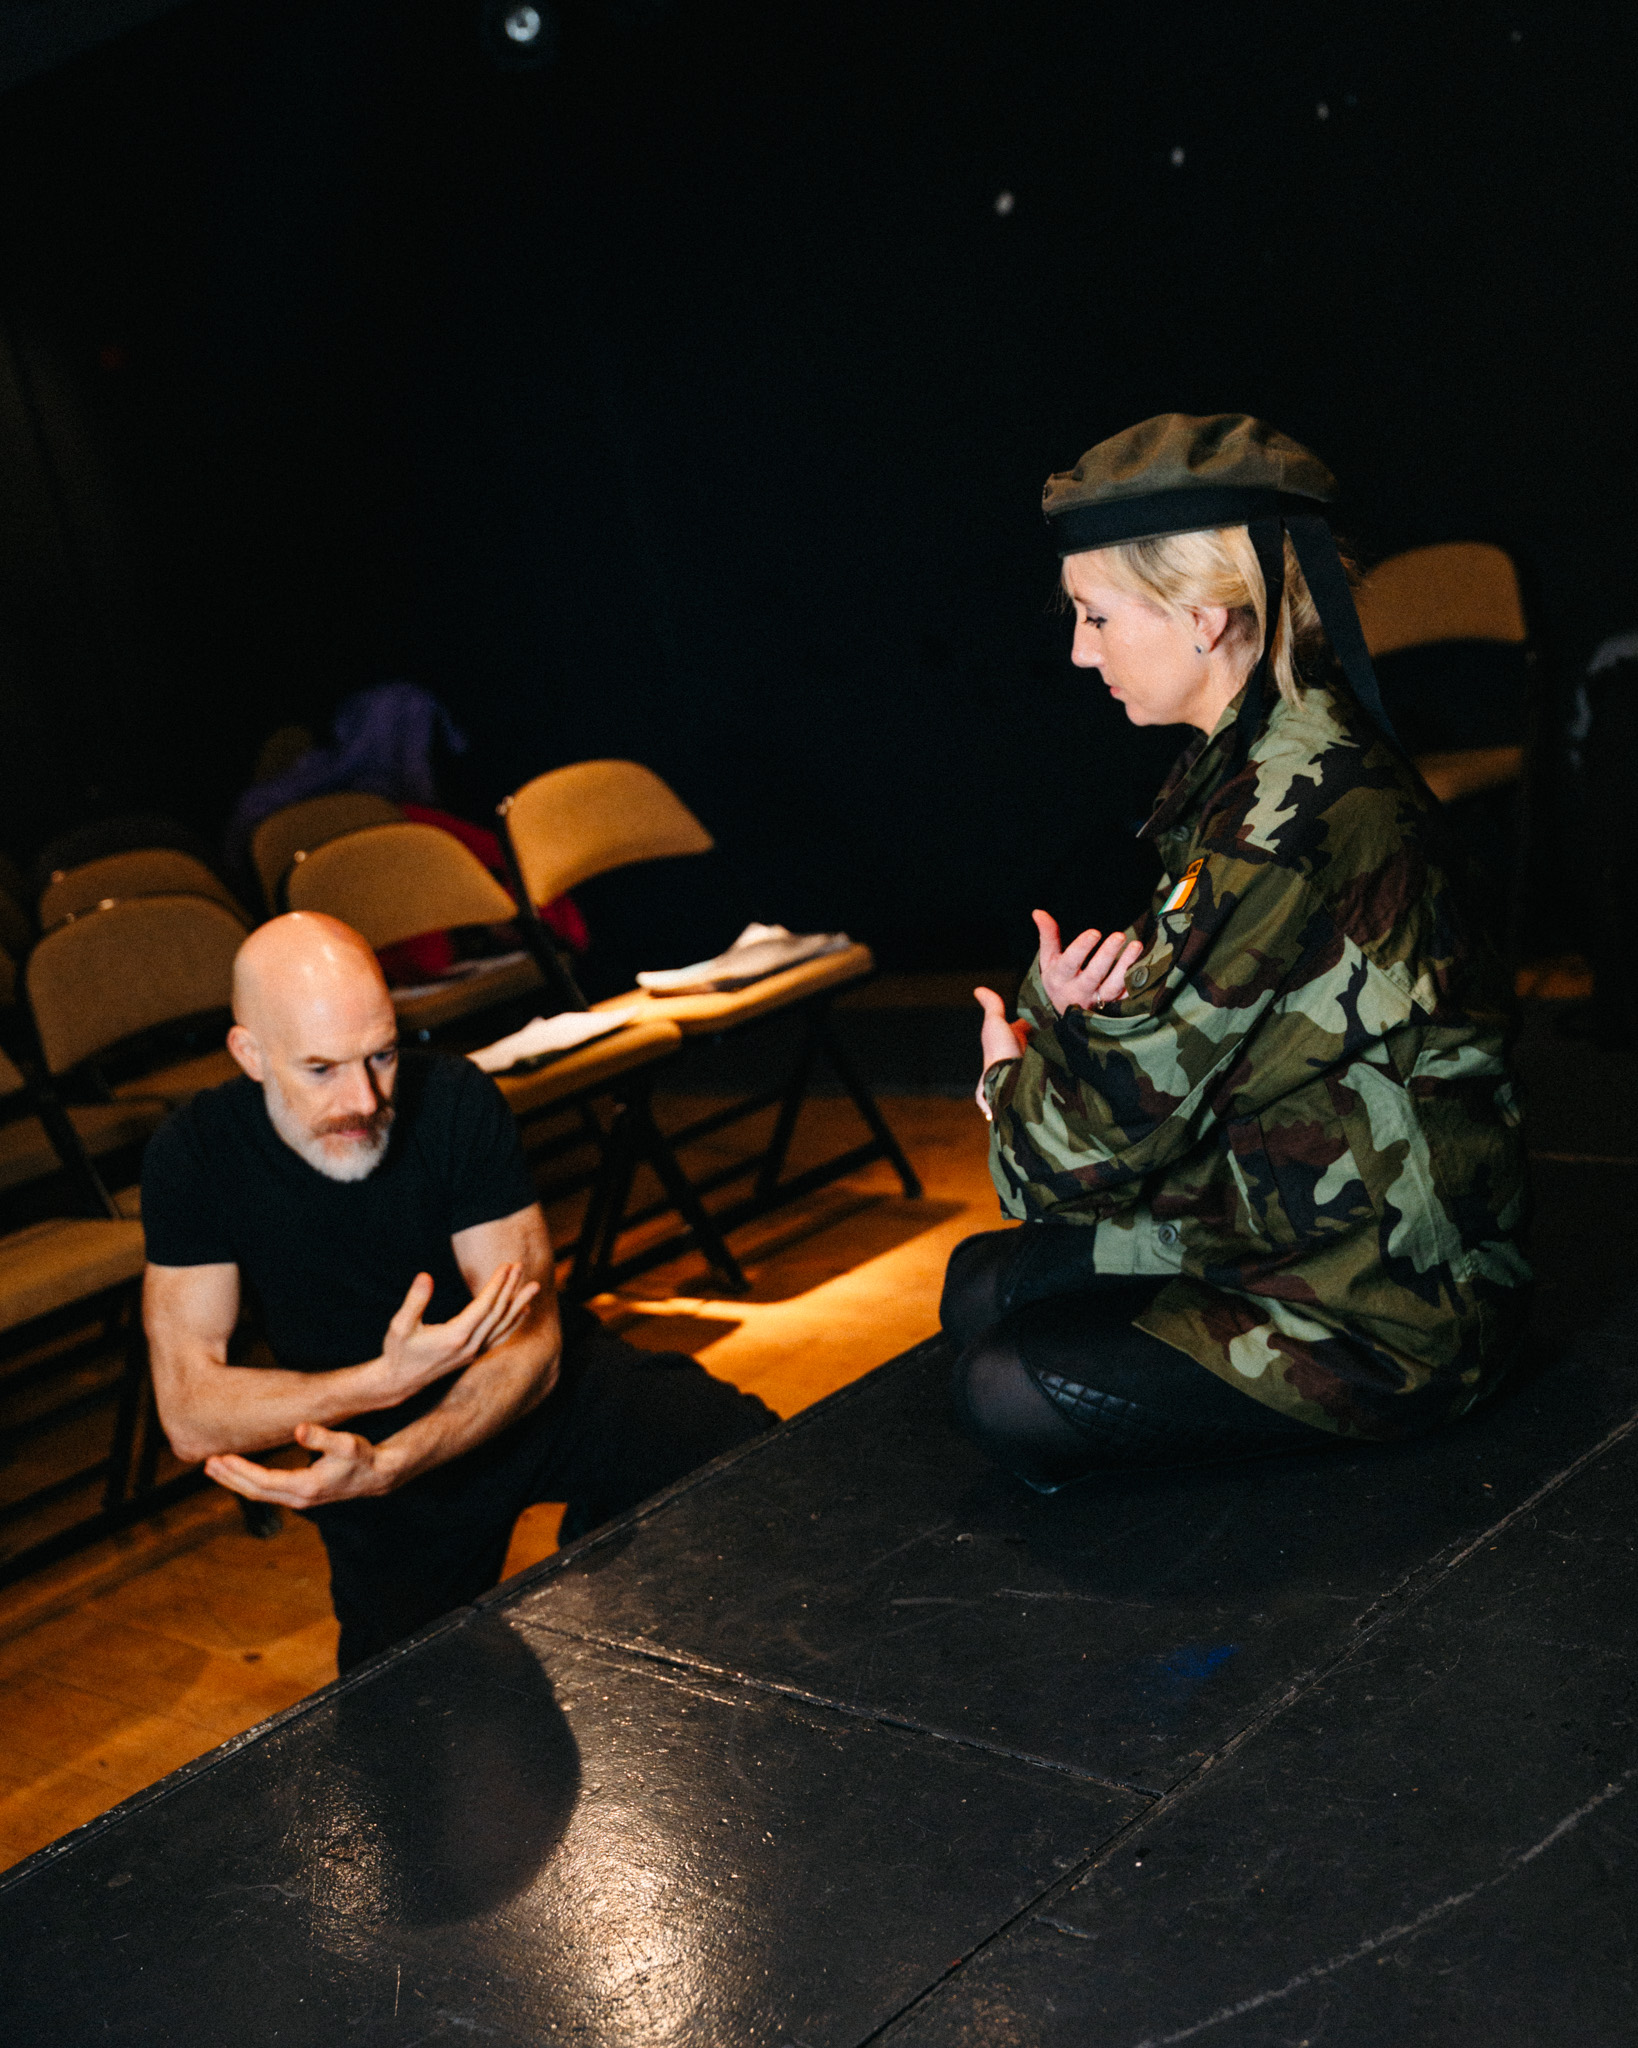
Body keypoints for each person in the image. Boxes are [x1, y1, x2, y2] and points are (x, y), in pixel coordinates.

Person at [947, 413, 1531, 1489]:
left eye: (1097, 616)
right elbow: (1168, 1035)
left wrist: (1006, 1078)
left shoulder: (1284, 812)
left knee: (1004, 1384)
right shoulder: (1270, 746)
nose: (1080, 650)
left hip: (1389, 1304)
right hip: (1278, 1206)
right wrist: (1072, 1019)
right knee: (982, 1287)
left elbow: (1086, 1150)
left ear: (1204, 619)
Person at [141, 911, 774, 1670]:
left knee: (760, 1463)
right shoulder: (195, 1155)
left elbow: (533, 1349)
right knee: (409, 1704)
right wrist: (380, 1388)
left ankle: (607, 1563)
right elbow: (190, 1412)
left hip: (528, 1395)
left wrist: (404, 1453)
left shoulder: (451, 1098)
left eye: (380, 1055)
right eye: (321, 1069)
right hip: (373, 1455)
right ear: (250, 1054)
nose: (364, 1098)